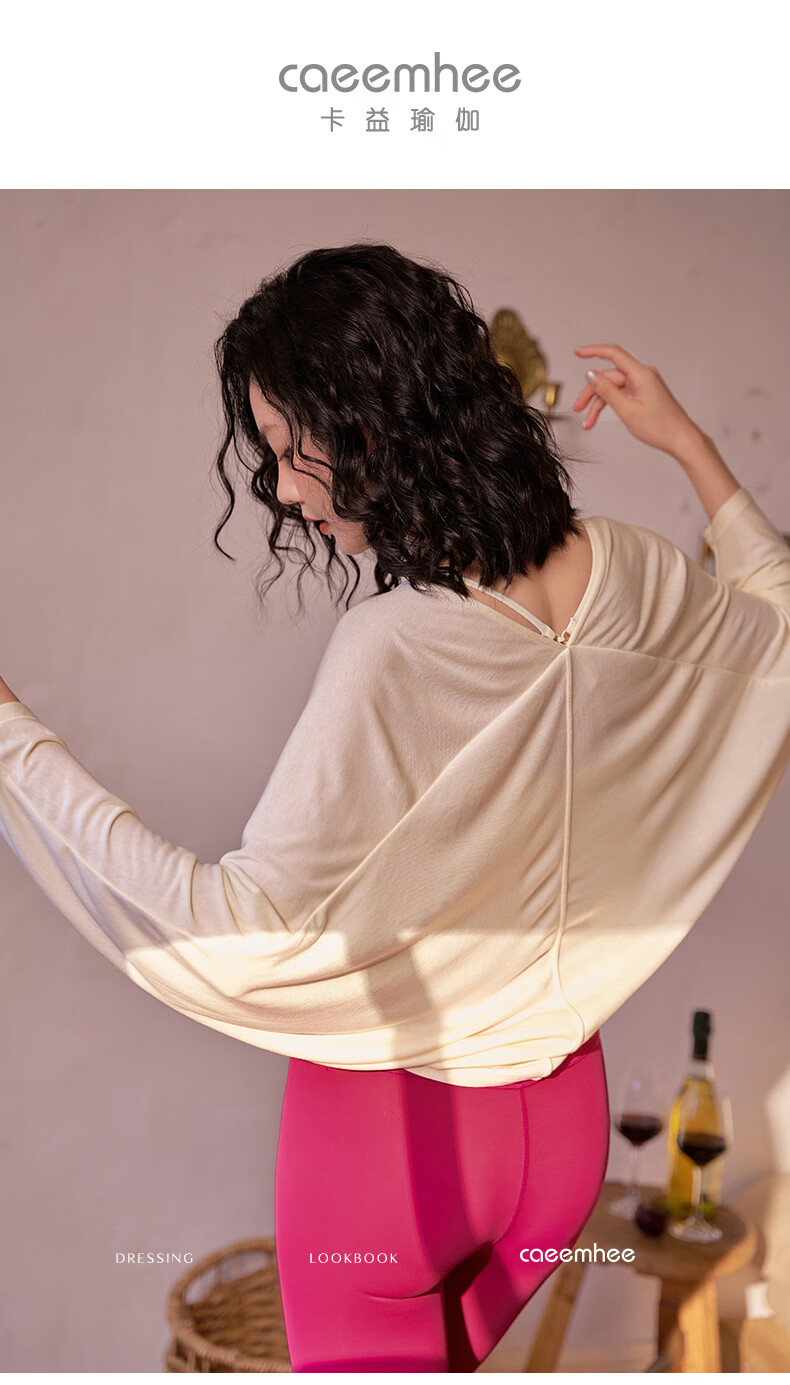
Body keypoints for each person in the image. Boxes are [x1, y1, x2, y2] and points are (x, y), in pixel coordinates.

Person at [1, 243, 789, 1372]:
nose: (281, 487)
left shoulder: (394, 644)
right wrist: (688, 445)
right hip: (561, 1139)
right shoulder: (633, 571)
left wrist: (16, 742)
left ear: (368, 425)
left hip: (392, 1151)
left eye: (290, 447)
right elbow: (775, 627)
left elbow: (237, 929)